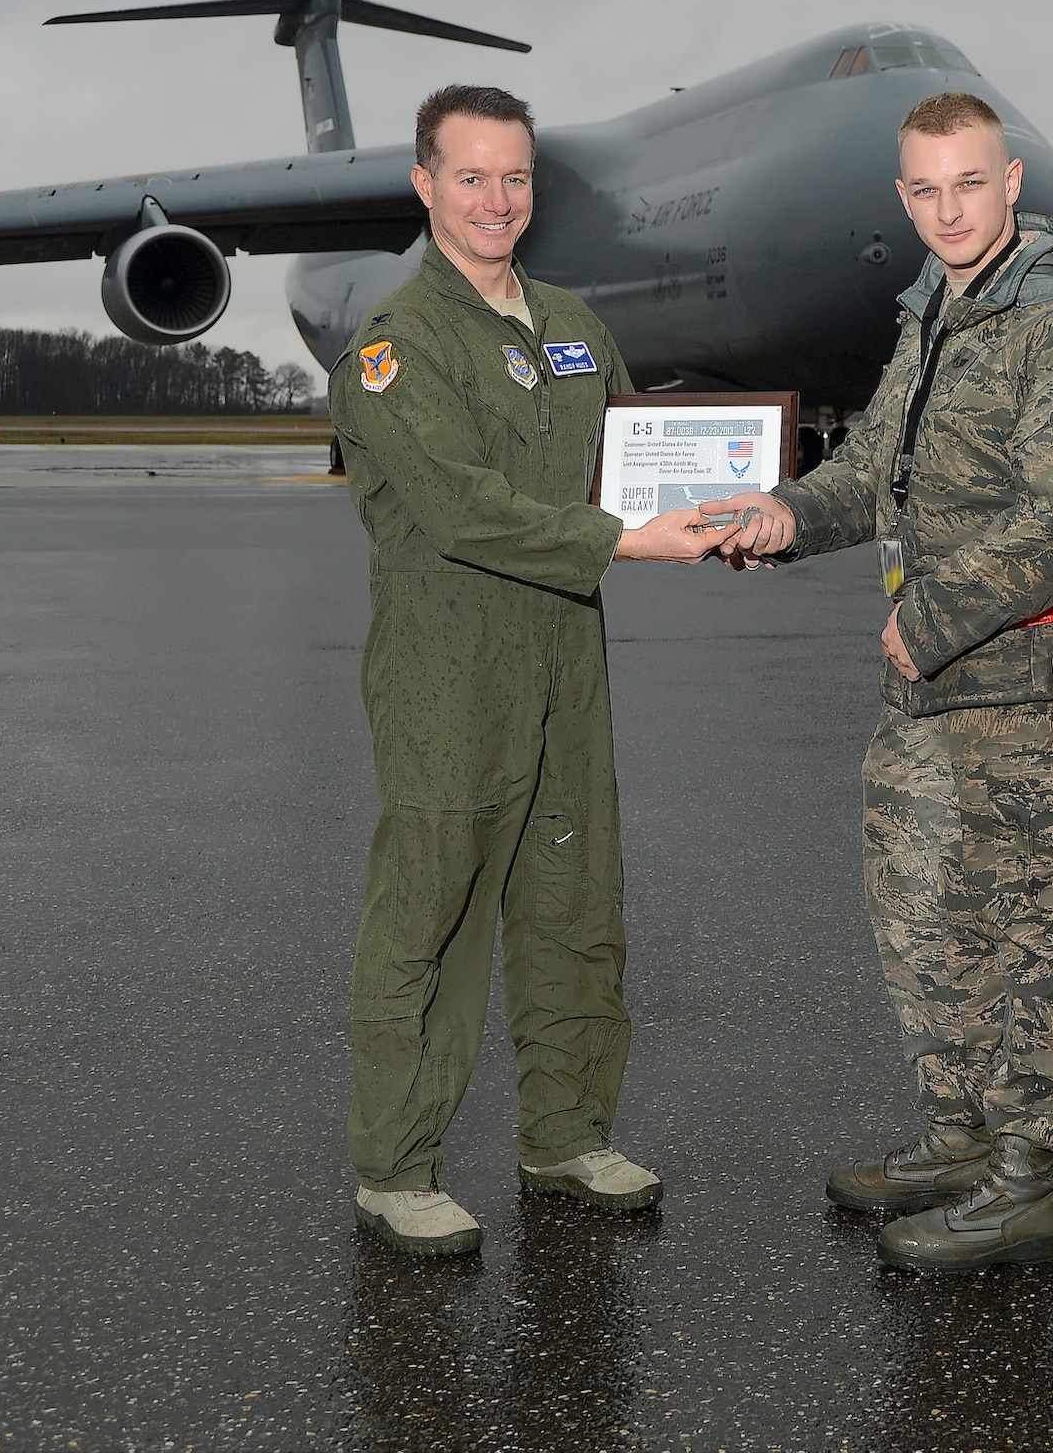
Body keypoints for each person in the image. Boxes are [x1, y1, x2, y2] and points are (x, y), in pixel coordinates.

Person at [704, 92, 1053, 1272]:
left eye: (970, 185)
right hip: (926, 693)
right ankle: (957, 1138)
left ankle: (1021, 1182)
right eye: (925, 191)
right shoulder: (940, 309)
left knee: (1036, 940)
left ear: (1011, 185)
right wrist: (784, 515)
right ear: (903, 199)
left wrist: (938, 614)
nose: (948, 210)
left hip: (1025, 689)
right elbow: (872, 471)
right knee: (924, 922)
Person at [328, 85, 722, 1257]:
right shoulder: (397, 343)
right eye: (470, 177)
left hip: (564, 659)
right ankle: (396, 1167)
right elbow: (463, 508)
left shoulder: (568, 321)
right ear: (424, 184)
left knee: (573, 904)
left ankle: (564, 1133)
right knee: (432, 917)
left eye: (514, 178)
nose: (496, 200)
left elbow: (630, 455)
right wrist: (627, 539)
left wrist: (713, 514)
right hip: (451, 670)